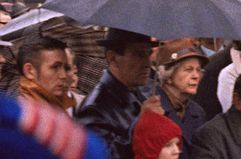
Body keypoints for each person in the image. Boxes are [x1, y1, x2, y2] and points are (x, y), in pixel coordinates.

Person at [77, 28, 160, 159]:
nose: (147, 63)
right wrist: (140, 126)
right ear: (112, 58)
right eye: (139, 54)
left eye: (148, 53)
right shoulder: (94, 108)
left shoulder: (141, 96)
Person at [155, 40, 208, 158]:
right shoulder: (151, 107)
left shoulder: (198, 112)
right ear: (168, 76)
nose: (196, 76)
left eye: (198, 70)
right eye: (189, 70)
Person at [17, 35, 73, 112]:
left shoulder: (56, 106)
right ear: (29, 71)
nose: (64, 75)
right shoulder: (24, 114)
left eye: (66, 68)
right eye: (55, 67)